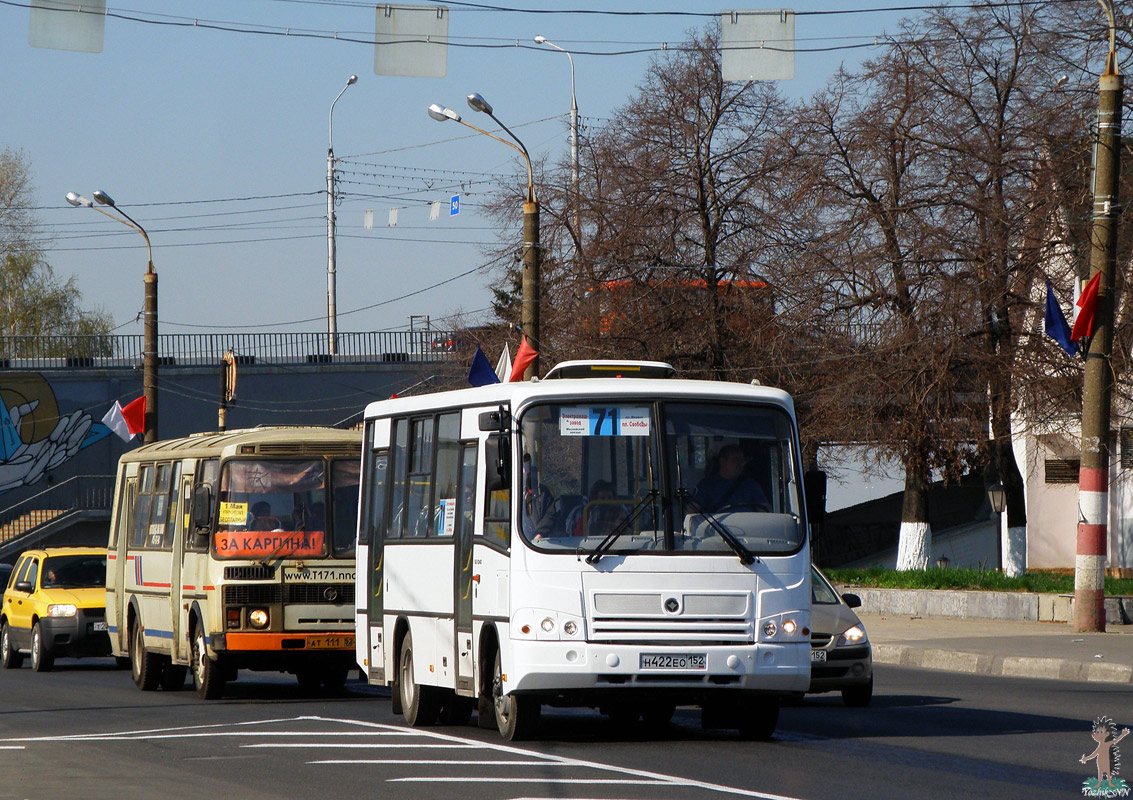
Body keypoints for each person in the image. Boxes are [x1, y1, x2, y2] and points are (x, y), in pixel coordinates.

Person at [693, 444, 769, 513]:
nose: (740, 464)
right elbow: (692, 511)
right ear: (722, 461)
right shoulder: (706, 485)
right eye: (735, 460)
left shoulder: (751, 485)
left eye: (742, 460)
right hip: (718, 527)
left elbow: (765, 509)